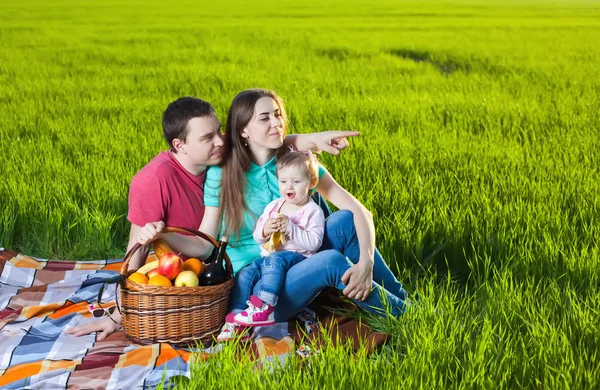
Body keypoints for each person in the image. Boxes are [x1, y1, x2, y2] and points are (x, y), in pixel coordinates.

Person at [66, 95, 358, 340]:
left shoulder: (217, 159)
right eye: (208, 137)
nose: (220, 141)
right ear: (180, 145)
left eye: (219, 131)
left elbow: (260, 140)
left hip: (276, 248)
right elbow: (137, 250)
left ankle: (354, 282)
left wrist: (308, 139)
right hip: (214, 269)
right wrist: (119, 315)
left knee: (314, 198)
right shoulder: (153, 181)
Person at [138, 88, 407, 342]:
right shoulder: (223, 173)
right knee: (331, 261)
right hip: (263, 285)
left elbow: (360, 212)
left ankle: (404, 301)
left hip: (301, 256)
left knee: (345, 220)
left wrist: (366, 264)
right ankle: (410, 318)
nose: (276, 122)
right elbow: (205, 244)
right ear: (243, 129)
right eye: (264, 118)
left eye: (278, 114)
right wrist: (164, 234)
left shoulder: (296, 164)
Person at [230, 150, 325, 329]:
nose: (289, 187)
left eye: (296, 182)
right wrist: (265, 230)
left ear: (312, 183)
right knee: (246, 272)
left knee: (274, 259)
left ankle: (265, 305)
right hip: (269, 259)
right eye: (283, 181)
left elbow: (314, 244)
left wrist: (291, 228)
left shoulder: (312, 211)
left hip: (299, 258)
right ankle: (236, 316)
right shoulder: (274, 206)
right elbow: (258, 237)